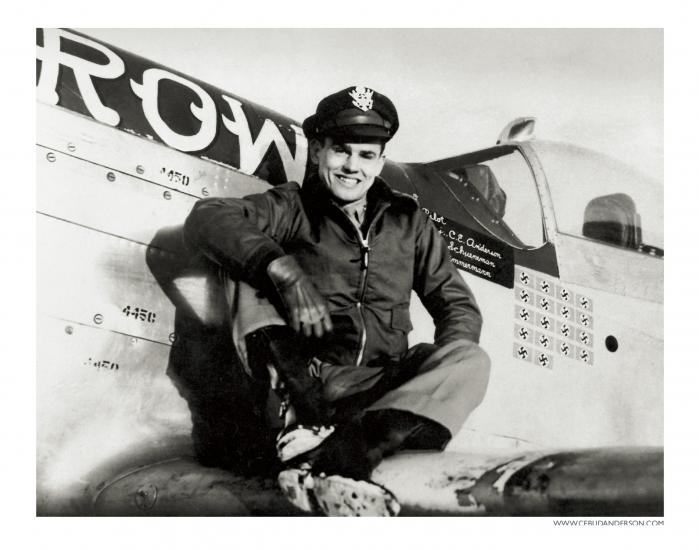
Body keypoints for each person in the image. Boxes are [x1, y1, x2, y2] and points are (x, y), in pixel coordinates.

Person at [183, 86, 490, 515]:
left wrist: (430, 378)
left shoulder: (409, 222)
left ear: (381, 160)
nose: (352, 167)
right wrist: (283, 271)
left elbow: (456, 305)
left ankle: (352, 449)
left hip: (373, 389)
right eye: (340, 151)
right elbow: (209, 217)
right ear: (317, 152)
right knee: (240, 268)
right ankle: (312, 430)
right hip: (301, 379)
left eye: (367, 155)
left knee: (471, 359)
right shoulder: (292, 206)